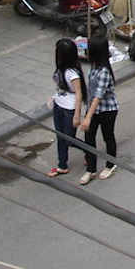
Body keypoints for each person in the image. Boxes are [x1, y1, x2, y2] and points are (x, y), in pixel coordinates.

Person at [80, 35, 119, 185]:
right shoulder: (95, 67)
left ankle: (110, 164)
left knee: (108, 136)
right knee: (88, 138)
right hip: (94, 109)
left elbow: (97, 96)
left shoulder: (104, 72)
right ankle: (91, 169)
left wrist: (88, 117)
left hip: (107, 110)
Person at [48, 38, 86, 177]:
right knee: (60, 137)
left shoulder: (72, 73)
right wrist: (54, 97)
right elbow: (60, 87)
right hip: (58, 106)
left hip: (69, 109)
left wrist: (77, 115)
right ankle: (62, 165)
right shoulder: (60, 69)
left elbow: (79, 94)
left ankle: (89, 150)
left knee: (69, 139)